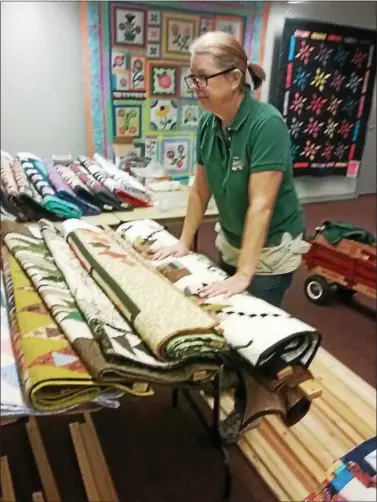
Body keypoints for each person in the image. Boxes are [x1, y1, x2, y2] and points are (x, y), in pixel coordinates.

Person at [153, 31, 308, 308]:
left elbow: (261, 205)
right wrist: (183, 242)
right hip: (232, 240)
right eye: (194, 78)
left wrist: (244, 274)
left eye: (204, 77)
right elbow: (200, 191)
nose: (197, 85)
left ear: (235, 78)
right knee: (220, 312)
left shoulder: (266, 124)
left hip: (269, 249)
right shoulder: (207, 123)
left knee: (253, 325)